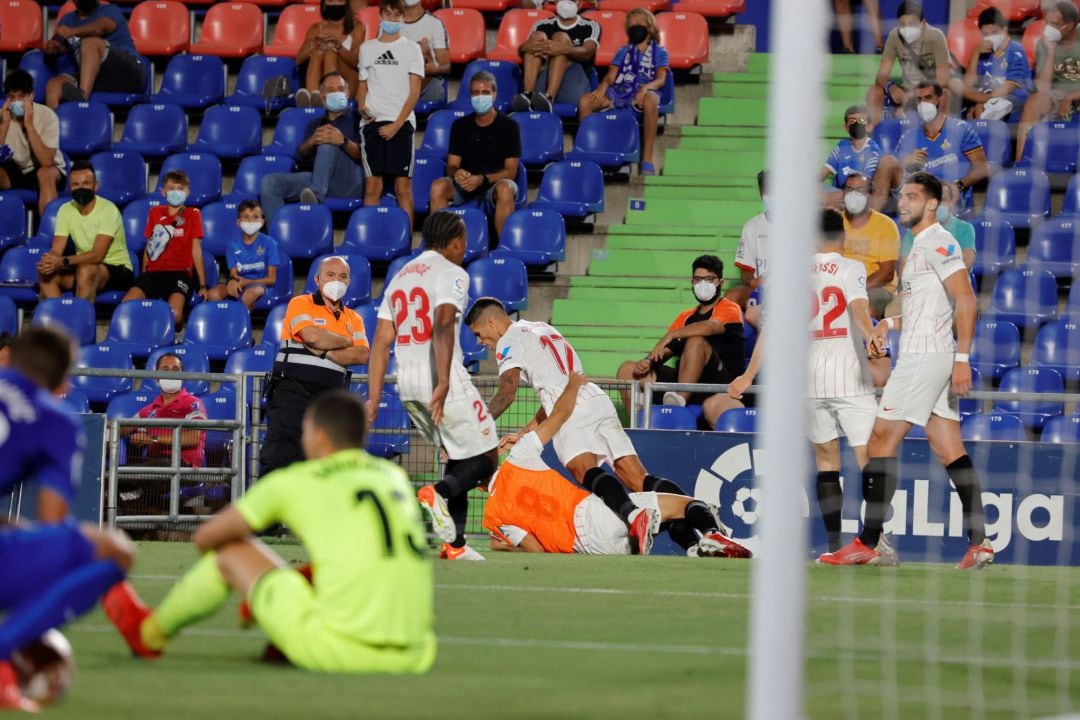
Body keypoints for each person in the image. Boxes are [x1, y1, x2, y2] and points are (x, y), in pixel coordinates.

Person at [103, 391, 436, 675]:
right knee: (327, 567)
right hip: (417, 654)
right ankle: (286, 631)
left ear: (318, 436)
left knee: (231, 551)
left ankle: (148, 634)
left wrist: (256, 584)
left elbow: (207, 538)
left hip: (341, 651)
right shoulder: (393, 477)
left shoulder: (296, 480)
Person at [820, 172, 992, 570]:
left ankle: (868, 542)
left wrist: (962, 359)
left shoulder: (940, 242)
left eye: (913, 197)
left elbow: (965, 301)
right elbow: (921, 310)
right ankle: (980, 541)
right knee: (949, 449)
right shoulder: (917, 247)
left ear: (933, 203)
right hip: (925, 352)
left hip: (924, 358)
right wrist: (888, 324)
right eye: (903, 196)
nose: (904, 203)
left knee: (879, 442)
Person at [467, 298, 702, 555]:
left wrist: (478, 429)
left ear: (491, 322)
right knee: (638, 478)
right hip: (593, 398)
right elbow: (556, 391)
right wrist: (524, 434)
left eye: (479, 334)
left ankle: (633, 516)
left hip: (571, 411)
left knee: (584, 471)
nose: (480, 342)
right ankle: (698, 532)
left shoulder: (508, 341)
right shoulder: (543, 328)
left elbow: (507, 392)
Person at [725, 209, 885, 553]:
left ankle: (831, 545)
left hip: (809, 381)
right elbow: (858, 308)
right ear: (841, 237)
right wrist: (871, 333)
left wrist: (747, 376)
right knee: (870, 459)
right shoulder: (851, 268)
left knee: (827, 463)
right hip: (848, 376)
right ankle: (873, 539)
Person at [0, 327, 137, 712]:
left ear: (9, 359)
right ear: (62, 380)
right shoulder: (54, 419)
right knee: (113, 550)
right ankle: (6, 648)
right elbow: (52, 521)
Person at [484, 372, 750, 558]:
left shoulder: (493, 516)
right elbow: (560, 415)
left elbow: (535, 551)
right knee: (690, 505)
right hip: (594, 517)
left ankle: (692, 546)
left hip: (591, 549)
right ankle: (710, 534)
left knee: (658, 512)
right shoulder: (518, 458)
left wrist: (504, 547)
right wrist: (574, 385)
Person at [366, 213, 498, 562]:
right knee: (487, 456)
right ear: (454, 242)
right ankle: (437, 493)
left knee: (458, 456)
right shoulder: (453, 273)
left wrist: (374, 397)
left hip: (406, 383)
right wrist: (442, 382)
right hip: (442, 377)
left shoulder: (400, 277)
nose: (465, 248)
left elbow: (381, 341)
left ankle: (454, 545)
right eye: (464, 242)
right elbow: (442, 323)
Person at [260, 256, 369, 477]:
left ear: (348, 282)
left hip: (330, 400)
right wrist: (346, 340)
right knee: (280, 457)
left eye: (342, 276)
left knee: (324, 463)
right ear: (317, 280)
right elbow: (311, 336)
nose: (336, 280)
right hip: (292, 393)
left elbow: (362, 354)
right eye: (330, 275)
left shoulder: (354, 318)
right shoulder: (300, 303)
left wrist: (327, 350)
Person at [616, 255, 745, 410]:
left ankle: (677, 408)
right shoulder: (685, 317)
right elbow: (667, 349)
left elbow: (710, 327)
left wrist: (673, 334)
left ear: (720, 282)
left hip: (721, 383)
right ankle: (637, 424)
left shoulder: (730, 308)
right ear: (692, 283)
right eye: (697, 279)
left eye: (709, 279)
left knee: (696, 341)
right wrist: (648, 361)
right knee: (627, 369)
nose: (702, 284)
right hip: (686, 379)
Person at [429, 71, 521, 239]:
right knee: (438, 186)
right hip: (465, 184)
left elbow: (511, 171)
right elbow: (452, 164)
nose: (480, 97)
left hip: (494, 183)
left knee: (506, 189)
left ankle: (505, 248)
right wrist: (457, 173)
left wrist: (482, 179)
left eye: (485, 92)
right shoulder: (460, 126)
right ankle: (440, 245)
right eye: (475, 93)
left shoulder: (509, 126)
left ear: (494, 94)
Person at [260, 72, 364, 221]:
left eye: (340, 89)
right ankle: (280, 235)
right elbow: (300, 158)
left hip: (348, 182)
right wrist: (311, 142)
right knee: (269, 183)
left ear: (347, 93)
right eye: (330, 90)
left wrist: (342, 141)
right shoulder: (315, 124)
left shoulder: (358, 120)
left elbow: (366, 155)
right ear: (322, 95)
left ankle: (315, 196)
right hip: (318, 180)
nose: (336, 93)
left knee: (328, 142)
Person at [357, 0, 424, 232]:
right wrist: (361, 106)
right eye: (388, 14)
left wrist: (397, 124)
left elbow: (415, 91)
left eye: (397, 15)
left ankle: (404, 241)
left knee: (402, 188)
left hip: (401, 124)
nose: (392, 19)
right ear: (381, 16)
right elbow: (362, 86)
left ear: (403, 18)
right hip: (372, 124)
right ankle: (370, 237)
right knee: (372, 187)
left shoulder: (412, 49)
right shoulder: (367, 48)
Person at [577, 8, 668, 175]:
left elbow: (661, 79)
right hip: (619, 90)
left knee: (650, 101)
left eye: (639, 25)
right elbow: (611, 76)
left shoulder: (660, 52)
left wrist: (645, 88)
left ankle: (646, 160)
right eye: (631, 25)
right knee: (585, 101)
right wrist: (601, 89)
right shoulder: (622, 51)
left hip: (645, 91)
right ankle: (589, 151)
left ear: (650, 27)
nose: (635, 28)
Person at [37, 160, 134, 304]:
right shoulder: (65, 209)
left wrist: (62, 261)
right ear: (70, 188)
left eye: (85, 184)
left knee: (86, 269)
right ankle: (59, 318)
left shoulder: (109, 209)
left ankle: (80, 322)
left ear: (95, 186)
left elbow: (97, 255)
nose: (80, 188)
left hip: (116, 269)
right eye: (75, 185)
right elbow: (56, 249)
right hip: (82, 266)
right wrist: (49, 261)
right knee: (46, 272)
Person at [882, 81, 989, 211]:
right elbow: (897, 179)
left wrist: (959, 184)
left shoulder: (961, 129)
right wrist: (904, 163)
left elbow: (982, 168)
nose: (923, 104)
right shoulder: (908, 137)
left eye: (928, 98)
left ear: (939, 99)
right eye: (919, 100)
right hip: (917, 197)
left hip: (949, 197)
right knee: (887, 162)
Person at [122, 170, 208, 327]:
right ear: (163, 192)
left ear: (187, 192)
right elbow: (150, 246)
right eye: (171, 188)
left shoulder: (193, 214)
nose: (176, 192)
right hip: (154, 274)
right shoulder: (155, 212)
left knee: (174, 314)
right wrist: (144, 275)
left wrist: (202, 285)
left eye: (180, 188)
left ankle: (179, 328)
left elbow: (196, 250)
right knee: (126, 308)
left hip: (180, 274)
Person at [43, 0, 147, 107]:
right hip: (96, 78)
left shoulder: (110, 10)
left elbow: (98, 29)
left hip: (129, 75)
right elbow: (62, 47)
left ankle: (81, 99)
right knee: (54, 85)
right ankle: (54, 122)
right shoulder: (67, 20)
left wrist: (71, 31)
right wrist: (53, 49)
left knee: (90, 42)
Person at [866, 1, 949, 127]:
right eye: (902, 24)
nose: (907, 28)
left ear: (923, 23)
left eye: (912, 24)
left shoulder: (936, 36)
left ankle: (940, 132)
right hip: (905, 90)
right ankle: (874, 133)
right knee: (874, 92)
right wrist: (891, 87)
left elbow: (943, 80)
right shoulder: (894, 35)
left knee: (946, 94)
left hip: (928, 91)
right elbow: (881, 77)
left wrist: (914, 94)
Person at [1015, 1, 1080, 161]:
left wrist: (1071, 97)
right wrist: (1050, 51)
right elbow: (1043, 87)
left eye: (1055, 24)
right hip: (1057, 94)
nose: (1049, 28)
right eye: (1047, 23)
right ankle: (1021, 163)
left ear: (1070, 24)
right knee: (1033, 101)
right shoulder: (1044, 44)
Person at [512, 0, 600, 113]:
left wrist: (563, 49)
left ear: (580, 4)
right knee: (537, 38)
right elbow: (525, 51)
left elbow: (588, 52)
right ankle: (527, 95)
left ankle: (549, 97)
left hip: (573, 80)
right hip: (542, 80)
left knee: (560, 38)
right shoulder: (541, 24)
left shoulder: (590, 25)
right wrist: (523, 47)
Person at [123, 353, 207, 469]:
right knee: (113, 473)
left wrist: (153, 439)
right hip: (155, 465)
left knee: (158, 466)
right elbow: (124, 427)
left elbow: (193, 438)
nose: (170, 374)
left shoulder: (193, 403)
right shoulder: (149, 410)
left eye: (176, 370)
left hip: (184, 467)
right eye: (165, 369)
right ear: (157, 377)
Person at [0, 70, 65, 216]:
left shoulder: (48, 116)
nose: (16, 102)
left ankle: (48, 231)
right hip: (16, 170)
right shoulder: (2, 116)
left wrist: (29, 125)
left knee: (45, 173)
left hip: (47, 169)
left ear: (31, 95)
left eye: (21, 96)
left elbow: (47, 161)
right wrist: (3, 127)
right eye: (11, 97)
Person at [949, 7, 1031, 121]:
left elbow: (1010, 86)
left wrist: (985, 99)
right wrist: (975, 53)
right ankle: (983, 130)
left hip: (1013, 97)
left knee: (984, 105)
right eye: (986, 34)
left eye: (994, 32)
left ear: (1004, 30)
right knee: (976, 106)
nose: (990, 37)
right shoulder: (982, 52)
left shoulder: (1016, 50)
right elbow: (969, 83)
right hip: (987, 98)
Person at [840, 172, 899, 319]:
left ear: (870, 195)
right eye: (849, 189)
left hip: (876, 287)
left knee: (865, 312)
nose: (853, 195)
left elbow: (887, 273)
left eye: (860, 190)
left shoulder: (886, 225)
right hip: (839, 284)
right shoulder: (835, 222)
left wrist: (855, 289)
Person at [821, 104, 900, 213]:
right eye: (852, 121)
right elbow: (821, 175)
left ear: (869, 126)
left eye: (861, 120)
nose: (857, 124)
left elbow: (861, 186)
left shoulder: (873, 151)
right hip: (841, 192)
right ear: (846, 127)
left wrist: (835, 196)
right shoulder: (841, 146)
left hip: (860, 195)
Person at [207, 200, 280, 310]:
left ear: (262, 221)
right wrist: (233, 282)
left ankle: (243, 324)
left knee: (249, 295)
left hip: (260, 285)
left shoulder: (270, 243)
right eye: (246, 217)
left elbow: (272, 279)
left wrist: (248, 282)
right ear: (239, 222)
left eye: (255, 217)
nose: (251, 221)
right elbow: (234, 275)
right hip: (240, 284)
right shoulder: (232, 245)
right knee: (213, 294)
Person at [295, 0, 365, 106]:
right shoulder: (316, 28)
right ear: (324, 5)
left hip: (349, 81)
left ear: (346, 4)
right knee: (318, 52)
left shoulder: (357, 27)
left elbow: (355, 61)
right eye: (331, 1)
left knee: (330, 52)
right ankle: (314, 98)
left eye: (339, 1)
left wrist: (338, 46)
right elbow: (298, 60)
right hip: (321, 80)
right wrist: (314, 44)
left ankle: (331, 95)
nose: (335, 5)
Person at [898, 179, 975, 273]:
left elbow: (966, 263)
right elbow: (904, 270)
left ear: (951, 203)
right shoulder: (912, 232)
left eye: (943, 200)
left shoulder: (964, 228)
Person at [728, 170, 768, 321]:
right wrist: (755, 282)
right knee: (731, 296)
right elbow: (745, 273)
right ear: (760, 193)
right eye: (766, 191)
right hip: (761, 288)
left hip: (791, 287)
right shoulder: (752, 226)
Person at [400, 0, 451, 107]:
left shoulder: (434, 23)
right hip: (397, 76)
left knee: (421, 53)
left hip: (426, 80)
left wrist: (435, 68)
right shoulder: (389, 23)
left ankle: (404, 103)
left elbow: (447, 66)